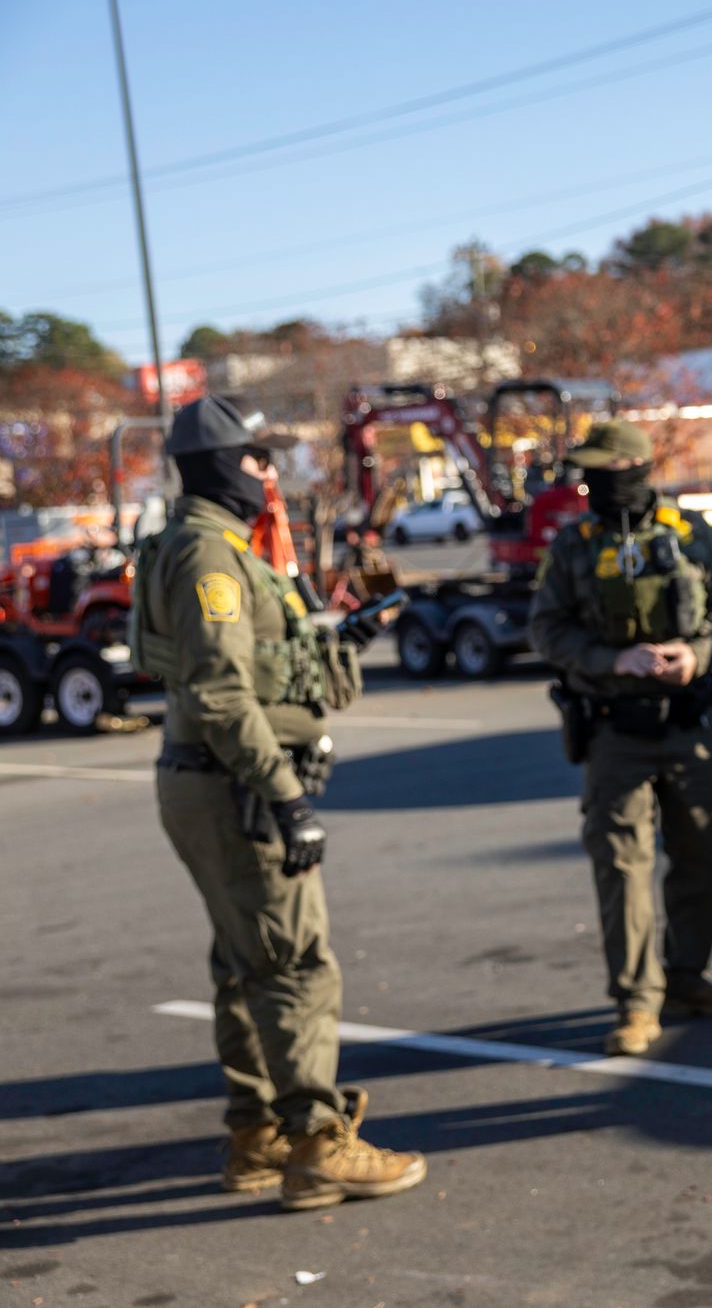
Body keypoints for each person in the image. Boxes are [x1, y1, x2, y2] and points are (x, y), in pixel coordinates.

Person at [135, 396, 425, 1212]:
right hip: (236, 786)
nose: (269, 473)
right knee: (293, 964)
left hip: (209, 778)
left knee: (241, 962)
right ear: (226, 465)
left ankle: (257, 1132)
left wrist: (334, 640)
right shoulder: (209, 557)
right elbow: (224, 695)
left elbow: (254, 662)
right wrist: (286, 795)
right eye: (258, 459)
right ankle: (317, 1144)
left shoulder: (200, 545)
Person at [529, 420, 712, 1055]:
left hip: (689, 724)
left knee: (697, 858)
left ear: (634, 468)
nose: (593, 484)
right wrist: (612, 661)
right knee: (622, 870)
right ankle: (636, 1003)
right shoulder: (575, 543)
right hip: (613, 732)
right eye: (588, 474)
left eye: (604, 472)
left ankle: (688, 980)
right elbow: (546, 628)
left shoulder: (688, 533)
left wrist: (698, 652)